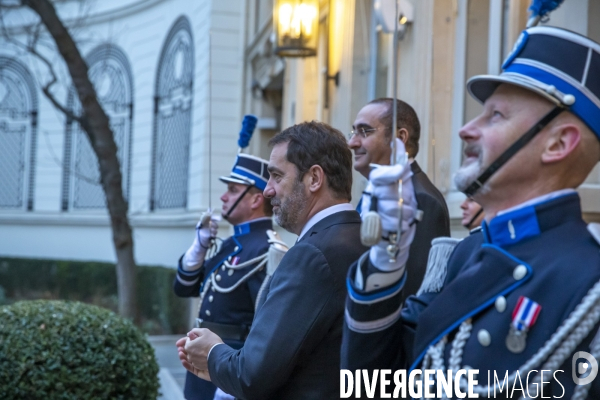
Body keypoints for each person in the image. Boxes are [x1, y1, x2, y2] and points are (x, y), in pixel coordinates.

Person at [343, 25, 600, 398]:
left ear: (558, 144)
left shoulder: (588, 284)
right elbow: (375, 386)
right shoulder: (463, 254)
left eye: (495, 115)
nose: (466, 129)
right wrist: (386, 260)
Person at [177, 121, 368, 399]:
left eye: (277, 176)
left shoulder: (310, 255)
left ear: (314, 178)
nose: (268, 190)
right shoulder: (360, 236)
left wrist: (213, 352)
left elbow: (253, 375)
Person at [173, 153, 276, 400]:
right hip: (203, 368)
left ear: (255, 200)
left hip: (229, 371)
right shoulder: (232, 244)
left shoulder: (266, 249)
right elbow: (184, 288)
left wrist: (233, 380)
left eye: (232, 189)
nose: (223, 196)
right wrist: (198, 248)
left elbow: (266, 326)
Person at [348, 98, 450, 300]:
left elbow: (412, 291)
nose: (352, 143)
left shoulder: (420, 199)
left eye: (365, 131)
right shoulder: (381, 190)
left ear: (400, 138)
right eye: (353, 132)